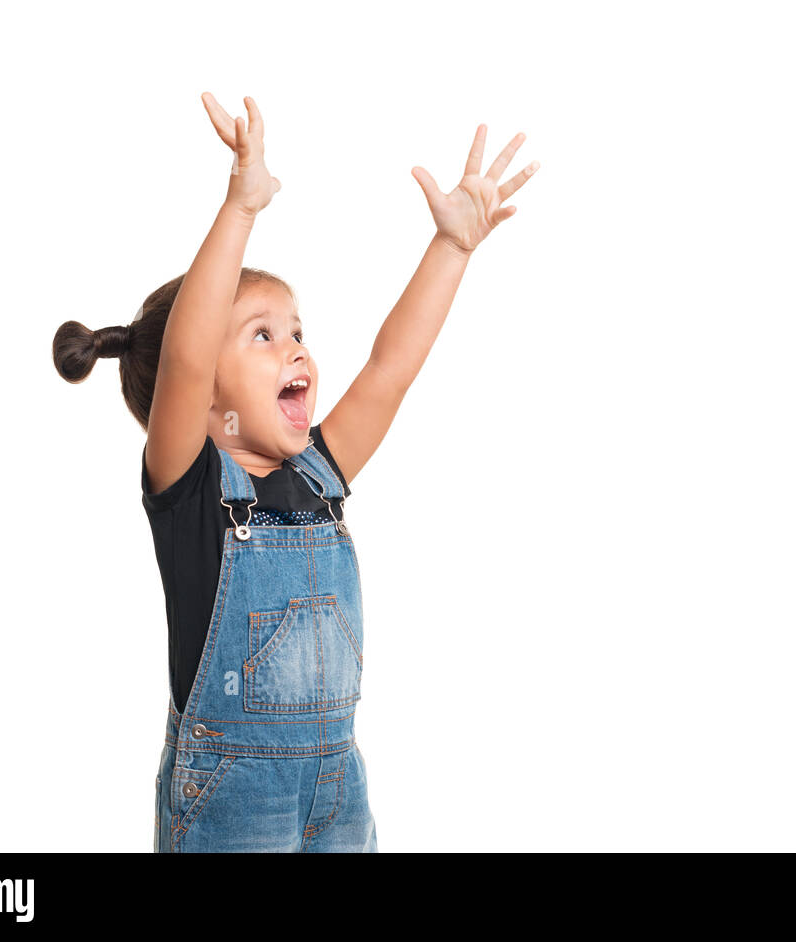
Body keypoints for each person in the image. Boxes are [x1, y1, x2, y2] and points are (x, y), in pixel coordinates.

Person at [51, 93, 538, 852]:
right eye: (262, 335)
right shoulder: (193, 493)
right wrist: (241, 207)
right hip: (232, 803)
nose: (297, 349)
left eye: (299, 331)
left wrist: (451, 249)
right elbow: (183, 356)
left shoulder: (319, 475)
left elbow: (389, 369)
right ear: (206, 396)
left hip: (339, 786)